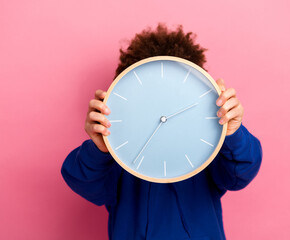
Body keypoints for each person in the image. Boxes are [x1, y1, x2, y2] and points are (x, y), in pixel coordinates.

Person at [61, 24, 262, 240]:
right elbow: (83, 181)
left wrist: (233, 133)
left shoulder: (207, 140)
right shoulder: (117, 147)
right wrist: (99, 150)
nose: (162, 112)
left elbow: (240, 174)